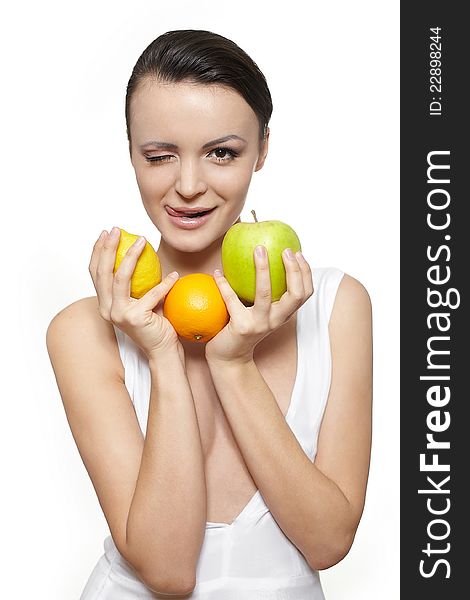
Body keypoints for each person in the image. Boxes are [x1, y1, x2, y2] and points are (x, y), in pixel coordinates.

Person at [46, 29, 372, 599]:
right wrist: (161, 352)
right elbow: (167, 573)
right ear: (131, 152)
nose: (188, 186)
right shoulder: (84, 331)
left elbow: (327, 542)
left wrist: (233, 364)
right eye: (159, 155)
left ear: (263, 148)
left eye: (222, 152)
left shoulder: (335, 307)